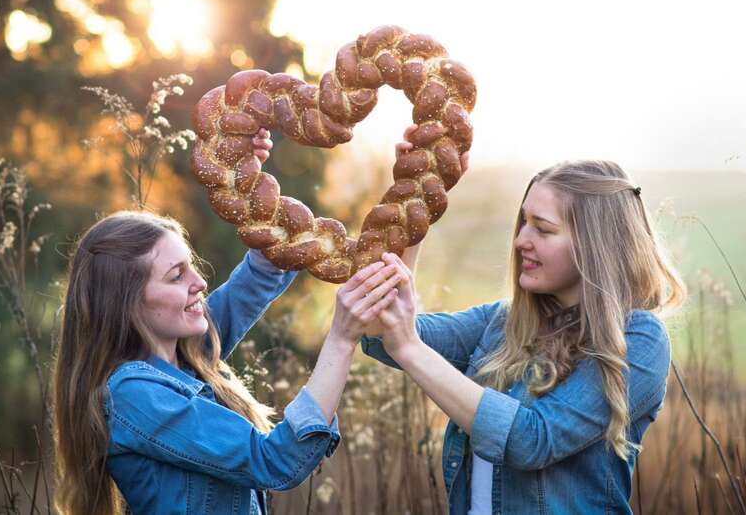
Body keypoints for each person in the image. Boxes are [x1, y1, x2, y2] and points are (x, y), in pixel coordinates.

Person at [52, 128, 406, 515]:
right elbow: (276, 461)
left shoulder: (186, 351)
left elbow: (258, 277)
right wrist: (341, 338)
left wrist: (249, 182)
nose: (199, 282)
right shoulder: (136, 395)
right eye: (176, 276)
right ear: (127, 303)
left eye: (190, 266)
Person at [360, 138, 686, 514]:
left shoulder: (638, 339)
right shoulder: (504, 322)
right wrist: (415, 203)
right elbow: (385, 333)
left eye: (542, 229)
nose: (520, 241)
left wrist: (408, 347)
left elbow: (533, 440)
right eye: (523, 223)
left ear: (595, 244)